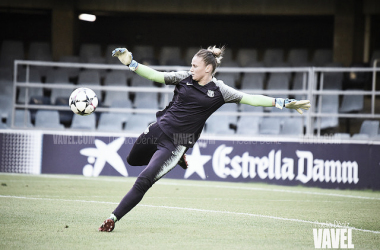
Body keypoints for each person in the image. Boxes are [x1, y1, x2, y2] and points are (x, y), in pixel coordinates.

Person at [98, 46, 310, 232]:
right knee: (132, 160)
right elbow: (156, 75)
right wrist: (131, 63)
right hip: (156, 130)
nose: (191, 69)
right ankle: (177, 159)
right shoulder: (184, 78)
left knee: (144, 181)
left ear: (208, 68)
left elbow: (252, 99)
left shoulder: (220, 91)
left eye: (194, 65)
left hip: (174, 145)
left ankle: (112, 218)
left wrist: (284, 103)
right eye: (191, 65)